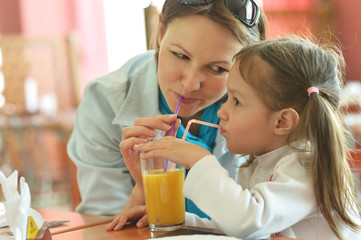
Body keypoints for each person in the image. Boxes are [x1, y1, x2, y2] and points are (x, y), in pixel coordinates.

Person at [123, 36, 361, 239]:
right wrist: (175, 220)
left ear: (282, 122)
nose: (221, 112)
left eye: (236, 101)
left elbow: (248, 221)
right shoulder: (263, 162)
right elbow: (243, 229)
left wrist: (199, 160)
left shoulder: (307, 165)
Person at [67, 0, 267, 217]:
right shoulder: (104, 102)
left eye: (218, 68)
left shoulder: (269, 108)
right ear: (160, 31)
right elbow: (103, 228)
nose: (190, 84)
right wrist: (143, 189)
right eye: (180, 55)